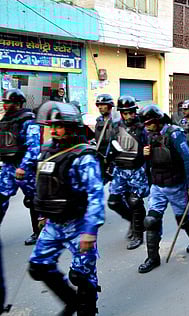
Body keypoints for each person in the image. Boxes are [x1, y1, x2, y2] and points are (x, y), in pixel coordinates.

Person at [29, 101, 104, 315]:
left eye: (59, 126)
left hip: (78, 224)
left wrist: (90, 231)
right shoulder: (47, 152)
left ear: (71, 128)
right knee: (39, 266)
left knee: (82, 275)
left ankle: (86, 309)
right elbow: (43, 185)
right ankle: (71, 302)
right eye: (51, 126)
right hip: (53, 224)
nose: (53, 130)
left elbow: (96, 196)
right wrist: (43, 214)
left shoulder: (83, 157)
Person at [137, 104, 189, 273]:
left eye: (149, 123)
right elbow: (148, 162)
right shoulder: (148, 134)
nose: (146, 126)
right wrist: (144, 155)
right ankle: (152, 258)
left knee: (182, 220)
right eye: (144, 123)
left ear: (158, 121)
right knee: (151, 221)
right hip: (158, 186)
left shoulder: (174, 134)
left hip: (176, 185)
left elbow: (188, 161)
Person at [108, 96, 150, 250]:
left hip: (137, 170)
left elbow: (151, 145)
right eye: (125, 113)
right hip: (120, 170)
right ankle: (133, 221)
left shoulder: (142, 128)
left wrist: (148, 153)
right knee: (113, 202)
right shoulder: (115, 126)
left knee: (135, 202)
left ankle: (138, 234)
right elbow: (111, 146)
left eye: (131, 112)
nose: (129, 116)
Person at [0, 88, 41, 245]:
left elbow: (34, 147)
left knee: (33, 201)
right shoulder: (5, 120)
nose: (5, 105)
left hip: (25, 169)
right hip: (8, 167)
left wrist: (23, 167)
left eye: (8, 102)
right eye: (4, 102)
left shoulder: (28, 121)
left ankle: (38, 232)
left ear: (18, 104)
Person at [94, 94, 117, 183]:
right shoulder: (99, 121)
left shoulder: (116, 121)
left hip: (113, 157)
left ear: (110, 106)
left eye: (103, 105)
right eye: (98, 105)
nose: (100, 107)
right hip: (101, 156)